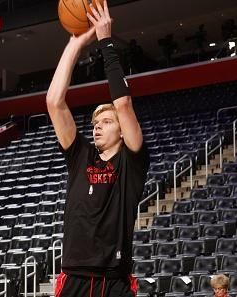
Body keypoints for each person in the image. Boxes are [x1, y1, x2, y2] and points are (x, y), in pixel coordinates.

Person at [46, 1, 149, 296]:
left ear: (121, 130)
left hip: (114, 281)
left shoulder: (132, 162)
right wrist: (74, 45)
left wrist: (105, 41)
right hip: (74, 278)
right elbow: (54, 102)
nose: (97, 126)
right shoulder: (81, 156)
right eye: (95, 122)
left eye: (106, 121)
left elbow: (123, 103)